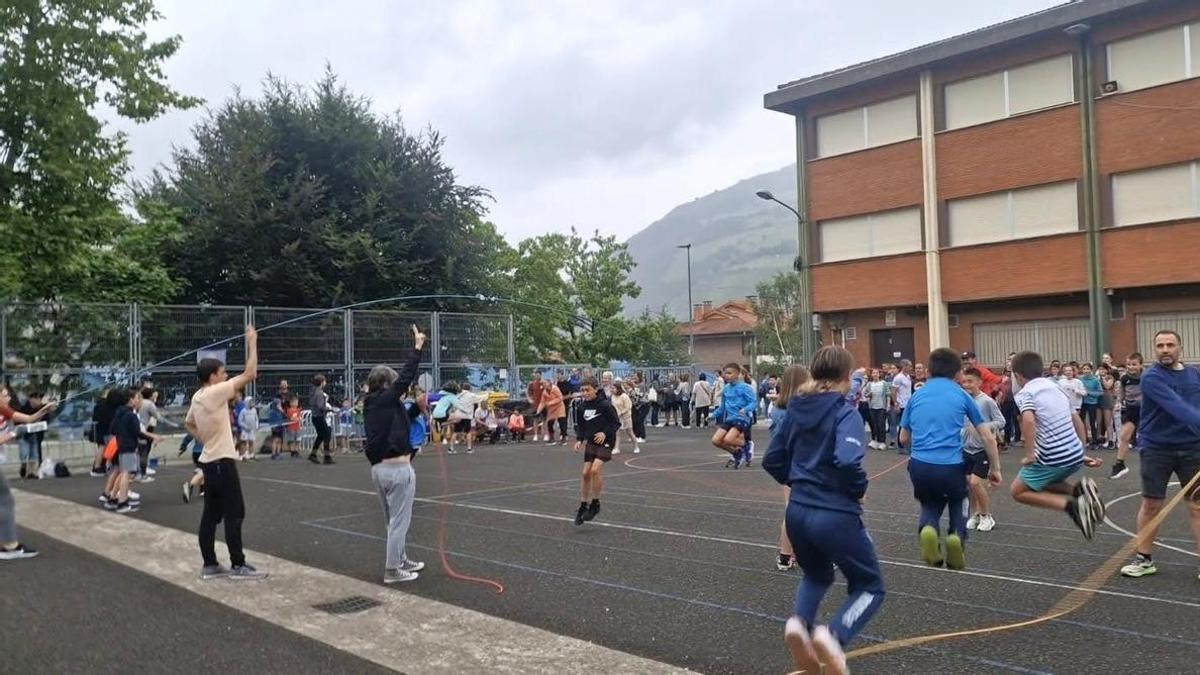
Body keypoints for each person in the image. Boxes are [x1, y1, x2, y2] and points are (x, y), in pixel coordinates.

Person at [763, 347, 884, 675]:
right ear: (847, 377)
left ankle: (798, 623)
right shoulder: (846, 413)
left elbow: (772, 459)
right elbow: (847, 460)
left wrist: (798, 482)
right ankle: (834, 635)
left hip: (797, 512)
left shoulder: (794, 409)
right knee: (869, 586)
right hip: (834, 514)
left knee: (816, 575)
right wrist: (857, 489)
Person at [899, 348, 1001, 570]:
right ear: (957, 374)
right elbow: (987, 436)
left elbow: (903, 438)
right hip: (951, 464)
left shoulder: (917, 396)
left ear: (928, 371)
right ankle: (956, 536)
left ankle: (928, 528)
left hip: (920, 464)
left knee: (930, 503)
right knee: (958, 500)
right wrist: (995, 469)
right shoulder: (961, 395)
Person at [185, 325, 266, 580]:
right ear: (212, 377)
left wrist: (206, 439)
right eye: (222, 372)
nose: (226, 375)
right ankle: (238, 564)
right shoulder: (214, 391)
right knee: (235, 513)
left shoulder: (198, 396)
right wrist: (252, 342)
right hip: (221, 463)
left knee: (211, 515)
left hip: (210, 462)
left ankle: (210, 564)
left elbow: (189, 423)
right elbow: (250, 373)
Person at [1119, 330, 1200, 579]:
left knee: (1197, 506)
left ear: (1180, 348)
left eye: (1170, 345)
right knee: (1152, 504)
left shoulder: (1194, 374)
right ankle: (1144, 559)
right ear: (1154, 349)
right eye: (1160, 345)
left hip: (1192, 449)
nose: (1165, 349)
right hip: (1157, 449)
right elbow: (1178, 407)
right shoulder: (1151, 377)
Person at [1009, 351, 1105, 540]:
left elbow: (1028, 420)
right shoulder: (1056, 387)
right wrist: (1081, 451)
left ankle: (1073, 507)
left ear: (1018, 376)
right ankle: (1079, 492)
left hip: (1052, 457)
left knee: (1018, 491)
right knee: (1045, 480)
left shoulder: (1025, 393)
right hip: (1074, 453)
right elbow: (1076, 420)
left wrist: (1030, 454)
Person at [364, 325, 427, 584]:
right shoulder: (386, 399)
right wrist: (418, 347)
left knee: (394, 521)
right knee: (399, 522)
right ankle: (392, 569)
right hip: (397, 470)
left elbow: (401, 421)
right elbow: (405, 377)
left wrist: (417, 409)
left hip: (380, 469)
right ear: (387, 384)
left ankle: (400, 559)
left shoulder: (376, 404)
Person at [0, 386, 56, 560]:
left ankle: (8, 544)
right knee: (5, 500)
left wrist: (44, 409)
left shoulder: (5, 410)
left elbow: (29, 418)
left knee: (5, 499)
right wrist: (14, 433)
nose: (9, 398)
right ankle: (10, 546)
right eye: (4, 395)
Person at [769, 364, 810, 571]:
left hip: (787, 465)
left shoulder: (777, 409)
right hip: (807, 465)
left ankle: (785, 556)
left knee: (790, 509)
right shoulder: (807, 409)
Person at [961, 368, 1005, 532]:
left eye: (970, 381)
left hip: (982, 448)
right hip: (966, 448)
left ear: (979, 382)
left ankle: (987, 516)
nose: (967, 385)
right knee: (968, 484)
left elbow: (1001, 421)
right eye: (964, 381)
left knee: (976, 482)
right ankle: (975, 514)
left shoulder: (987, 401)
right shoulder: (962, 401)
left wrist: (984, 427)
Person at [573, 377, 620, 526]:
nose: (585, 393)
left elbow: (616, 423)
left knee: (595, 470)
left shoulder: (605, 405)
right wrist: (579, 440)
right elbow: (581, 426)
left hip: (606, 441)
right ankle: (583, 505)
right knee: (585, 473)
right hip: (592, 442)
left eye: (588, 390)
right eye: (582, 390)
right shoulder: (581, 407)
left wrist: (605, 433)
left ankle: (595, 504)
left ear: (595, 389)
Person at [710, 362, 756, 458]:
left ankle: (747, 444)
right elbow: (722, 407)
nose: (726, 375)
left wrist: (745, 409)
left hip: (742, 418)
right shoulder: (726, 388)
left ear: (737, 374)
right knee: (716, 440)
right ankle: (736, 453)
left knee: (728, 439)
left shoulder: (745, 387)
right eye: (725, 373)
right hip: (730, 419)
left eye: (729, 373)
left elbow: (753, 402)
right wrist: (713, 415)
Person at [1111, 353, 1144, 480]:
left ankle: (1157, 462)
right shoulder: (1124, 378)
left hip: (1145, 409)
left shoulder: (1147, 376)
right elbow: (1121, 393)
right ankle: (1120, 464)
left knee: (1148, 437)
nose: (1131, 367)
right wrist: (1118, 402)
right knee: (1124, 436)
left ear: (1141, 365)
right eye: (1128, 364)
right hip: (1131, 409)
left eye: (1134, 364)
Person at [88, 389, 116, 477]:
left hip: (98, 429)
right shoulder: (106, 405)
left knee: (102, 447)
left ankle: (99, 466)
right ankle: (97, 467)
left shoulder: (98, 405)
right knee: (102, 447)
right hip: (104, 430)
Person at [309, 374, 335, 465]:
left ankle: (313, 454)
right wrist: (329, 409)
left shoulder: (313, 392)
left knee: (320, 436)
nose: (325, 383)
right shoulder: (319, 393)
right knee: (326, 436)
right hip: (319, 417)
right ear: (321, 382)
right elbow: (320, 406)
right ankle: (326, 457)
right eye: (324, 381)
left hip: (315, 417)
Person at [862, 368, 890, 450]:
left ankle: (882, 442)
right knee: (874, 424)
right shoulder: (869, 384)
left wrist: (888, 405)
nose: (875, 374)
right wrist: (869, 394)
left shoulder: (884, 383)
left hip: (882, 407)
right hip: (872, 407)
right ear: (871, 375)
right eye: (873, 373)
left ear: (879, 374)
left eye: (876, 373)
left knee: (881, 424)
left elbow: (888, 394)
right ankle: (874, 440)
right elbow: (865, 394)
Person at [611, 381, 639, 454]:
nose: (612, 390)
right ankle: (616, 448)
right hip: (617, 417)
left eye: (613, 388)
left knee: (630, 432)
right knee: (617, 433)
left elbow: (628, 406)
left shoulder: (624, 396)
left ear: (618, 389)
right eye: (611, 388)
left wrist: (621, 412)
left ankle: (636, 447)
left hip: (626, 416)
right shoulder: (613, 396)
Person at [890, 360, 913, 450]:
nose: (911, 368)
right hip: (902, 404)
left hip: (908, 404)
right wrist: (896, 404)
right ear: (904, 366)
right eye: (909, 366)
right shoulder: (898, 378)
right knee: (902, 424)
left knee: (908, 424)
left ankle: (907, 443)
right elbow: (893, 391)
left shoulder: (908, 376)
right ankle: (900, 446)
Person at [538, 377, 567, 445]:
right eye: (543, 383)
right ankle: (552, 439)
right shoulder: (544, 392)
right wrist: (538, 411)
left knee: (562, 423)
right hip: (552, 409)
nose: (544, 384)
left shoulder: (555, 388)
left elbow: (560, 398)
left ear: (549, 383)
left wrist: (550, 403)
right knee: (550, 423)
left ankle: (563, 439)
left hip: (559, 407)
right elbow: (542, 402)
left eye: (545, 383)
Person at [1079, 363, 1102, 448]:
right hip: (1082, 403)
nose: (1086, 371)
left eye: (1087, 369)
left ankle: (1094, 441)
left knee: (1092, 422)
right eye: (1084, 369)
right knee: (1081, 421)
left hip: (1092, 403)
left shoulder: (1095, 380)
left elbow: (1100, 392)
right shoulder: (1080, 379)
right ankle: (1083, 439)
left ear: (1091, 370)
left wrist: (1089, 393)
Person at [527, 371, 546, 442]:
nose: (537, 376)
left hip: (544, 404)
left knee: (544, 420)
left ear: (541, 375)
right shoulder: (531, 384)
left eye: (538, 375)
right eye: (536, 375)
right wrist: (530, 399)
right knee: (535, 420)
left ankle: (545, 434)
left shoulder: (544, 383)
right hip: (535, 405)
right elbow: (528, 392)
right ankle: (535, 435)